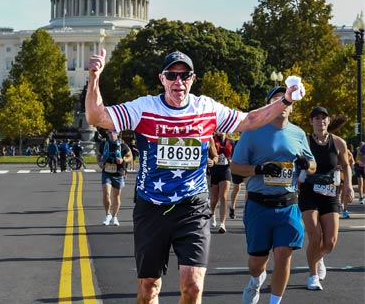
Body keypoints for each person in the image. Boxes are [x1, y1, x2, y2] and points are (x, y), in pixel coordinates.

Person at [86, 49, 304, 304]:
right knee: (149, 287)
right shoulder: (144, 108)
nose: (178, 82)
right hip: (152, 207)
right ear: (162, 79)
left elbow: (251, 119)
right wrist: (94, 77)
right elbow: (96, 116)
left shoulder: (206, 108)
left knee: (193, 285)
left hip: (193, 207)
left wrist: (286, 101)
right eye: (172, 75)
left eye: (184, 75)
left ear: (192, 78)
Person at [230, 86, 316, 304]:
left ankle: (275, 302)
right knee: (257, 262)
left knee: (283, 254)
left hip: (288, 204)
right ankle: (255, 280)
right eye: (277, 99)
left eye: (286, 99)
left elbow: (312, 163)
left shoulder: (298, 133)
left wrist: (308, 165)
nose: (283, 103)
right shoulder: (252, 131)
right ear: (270, 104)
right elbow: (236, 167)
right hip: (259, 205)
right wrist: (259, 170)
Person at [298, 106, 354, 291]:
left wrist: (347, 187)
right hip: (309, 192)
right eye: (316, 118)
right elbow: (295, 165)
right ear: (311, 122)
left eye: (324, 118)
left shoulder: (339, 143)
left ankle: (317, 257)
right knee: (314, 236)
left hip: (330, 192)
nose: (320, 121)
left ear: (328, 121)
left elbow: (346, 165)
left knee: (330, 242)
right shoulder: (304, 142)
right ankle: (313, 276)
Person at [98, 129, 133, 226]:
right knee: (106, 193)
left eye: (113, 132)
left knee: (116, 196)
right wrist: (99, 162)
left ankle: (114, 216)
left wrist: (123, 160)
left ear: (117, 134)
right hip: (107, 172)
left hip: (118, 173)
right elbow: (99, 155)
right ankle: (107, 214)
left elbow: (130, 156)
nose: (111, 134)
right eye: (109, 132)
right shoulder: (104, 144)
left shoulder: (122, 145)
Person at [209, 131, 234, 233]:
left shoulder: (231, 142)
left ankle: (222, 224)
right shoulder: (212, 141)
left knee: (223, 197)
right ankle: (212, 214)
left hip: (225, 170)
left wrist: (232, 161)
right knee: (214, 198)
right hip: (214, 170)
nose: (221, 131)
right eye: (220, 128)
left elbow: (235, 157)